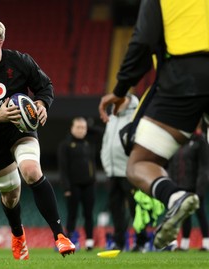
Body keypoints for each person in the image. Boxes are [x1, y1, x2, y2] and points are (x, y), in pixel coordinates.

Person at [0, 16, 75, 259]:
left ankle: (60, 236)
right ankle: (18, 235)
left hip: (22, 129)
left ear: (0, 42)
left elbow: (45, 86)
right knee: (10, 196)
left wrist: (42, 104)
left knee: (31, 170)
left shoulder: (20, 61)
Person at [98, 0, 208, 250]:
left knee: (140, 163)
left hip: (183, 77)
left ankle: (175, 196)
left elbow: (143, 42)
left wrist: (121, 89)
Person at [100, 94, 150, 252]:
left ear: (128, 101)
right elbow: (106, 143)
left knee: (136, 208)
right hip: (113, 172)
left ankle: (141, 242)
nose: (117, 105)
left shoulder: (136, 118)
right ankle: (119, 243)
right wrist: (107, 165)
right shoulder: (112, 119)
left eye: (121, 101)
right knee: (116, 210)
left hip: (129, 172)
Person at [167, 123, 209, 251]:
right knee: (184, 215)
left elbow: (204, 167)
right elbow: (173, 164)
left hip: (195, 186)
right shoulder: (181, 141)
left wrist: (200, 188)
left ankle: (206, 244)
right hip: (181, 185)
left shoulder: (200, 140)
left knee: (200, 213)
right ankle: (184, 244)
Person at [57, 117, 96, 251]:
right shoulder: (65, 145)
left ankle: (90, 241)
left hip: (89, 185)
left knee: (89, 214)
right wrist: (66, 187)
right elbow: (63, 169)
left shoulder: (88, 144)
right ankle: (71, 240)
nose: (81, 130)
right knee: (72, 214)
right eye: (78, 127)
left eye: (83, 128)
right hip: (73, 186)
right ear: (72, 128)